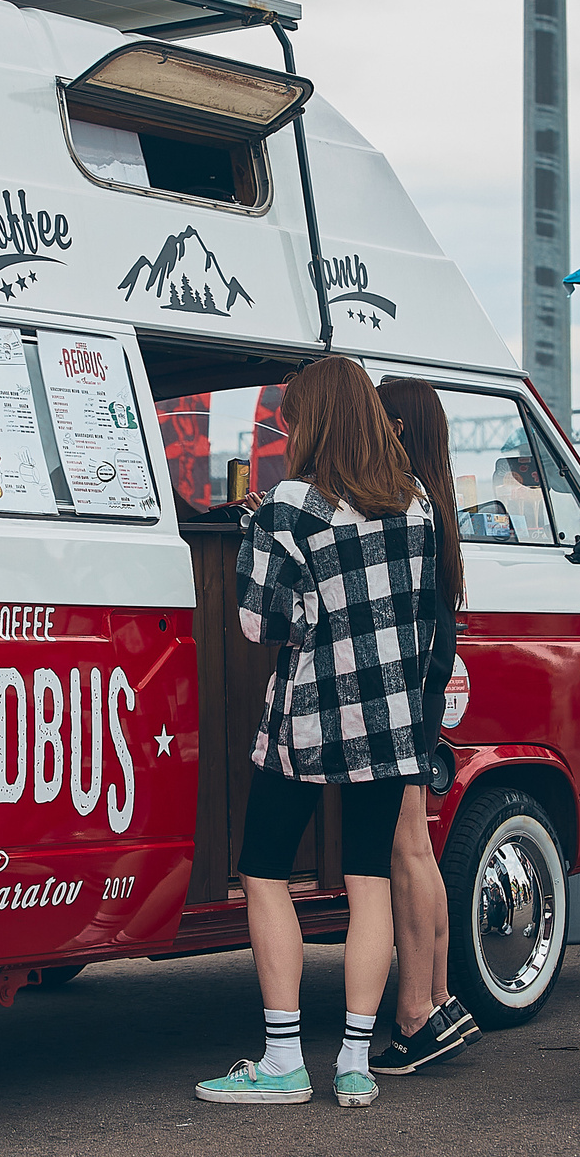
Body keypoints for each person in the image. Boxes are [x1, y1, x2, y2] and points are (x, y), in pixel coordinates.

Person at [197, 357, 442, 1111]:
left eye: (292, 416)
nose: (287, 429)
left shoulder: (289, 505)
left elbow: (254, 621)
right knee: (370, 881)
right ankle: (357, 1062)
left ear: (316, 420)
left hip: (309, 719)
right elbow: (423, 617)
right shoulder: (418, 501)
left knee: (266, 870)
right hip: (392, 723)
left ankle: (281, 1059)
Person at [370, 376, 480, 1075]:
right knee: (420, 847)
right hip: (427, 682)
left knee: (407, 847)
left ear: (399, 428)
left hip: (403, 686)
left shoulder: (399, 499)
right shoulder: (434, 498)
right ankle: (438, 996)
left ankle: (416, 1012)